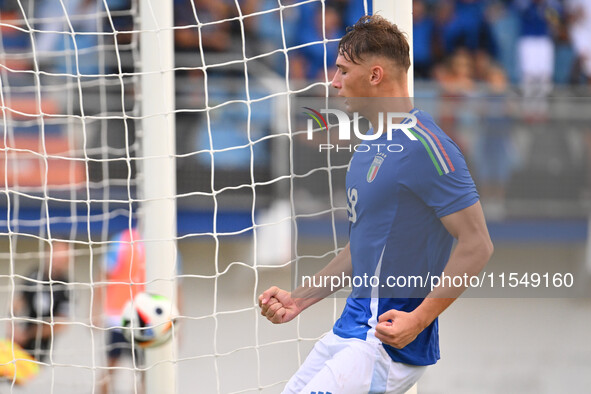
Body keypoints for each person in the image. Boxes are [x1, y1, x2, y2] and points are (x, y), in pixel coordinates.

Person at [259, 15, 493, 393]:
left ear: (375, 75)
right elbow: (362, 248)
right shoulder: (369, 148)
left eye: (342, 70)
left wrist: (417, 320)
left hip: (385, 344)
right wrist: (299, 300)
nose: (333, 83)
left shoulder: (428, 147)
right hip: (349, 331)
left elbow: (478, 244)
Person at [10, 240, 71, 363]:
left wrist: (28, 334)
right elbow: (17, 302)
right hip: (16, 342)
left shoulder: (66, 286)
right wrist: (13, 328)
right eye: (56, 253)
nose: (58, 259)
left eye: (63, 256)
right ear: (47, 253)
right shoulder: (33, 275)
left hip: (40, 350)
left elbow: (60, 324)